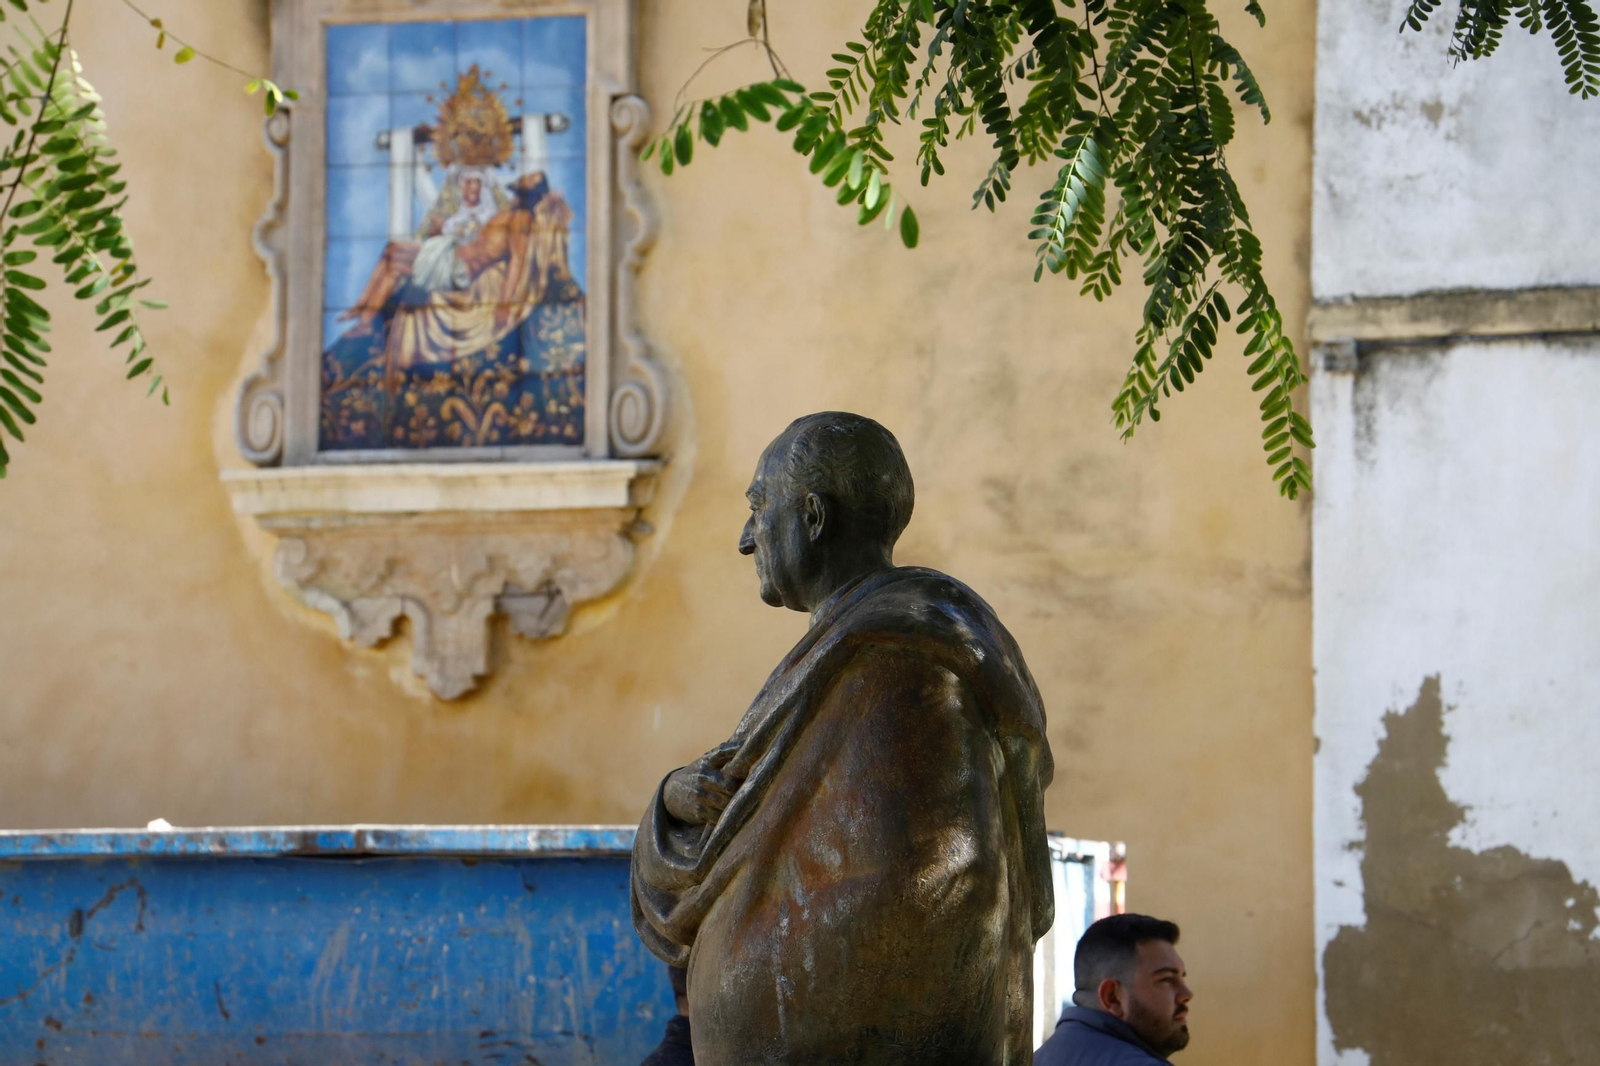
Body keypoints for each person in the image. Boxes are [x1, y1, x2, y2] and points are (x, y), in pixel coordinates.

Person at [630, 412, 1055, 1066]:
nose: (747, 539)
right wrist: (675, 798)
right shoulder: (857, 654)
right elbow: (752, 809)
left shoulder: (901, 666)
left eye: (758, 508)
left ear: (812, 517)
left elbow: (895, 919)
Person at [1034, 914, 1194, 1066]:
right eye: (1166, 979)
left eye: (1182, 977)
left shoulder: (1034, 1059)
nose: (1186, 994)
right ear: (1112, 997)